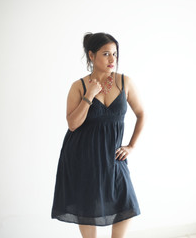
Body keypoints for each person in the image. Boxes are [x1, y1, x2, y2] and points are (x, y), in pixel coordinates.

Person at [51, 32, 144, 238]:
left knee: (126, 203)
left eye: (115, 54)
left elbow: (141, 114)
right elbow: (73, 124)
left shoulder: (124, 82)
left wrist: (131, 146)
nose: (112, 59)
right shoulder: (79, 86)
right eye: (106, 54)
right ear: (91, 56)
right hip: (82, 156)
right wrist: (89, 95)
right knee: (87, 207)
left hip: (113, 156)